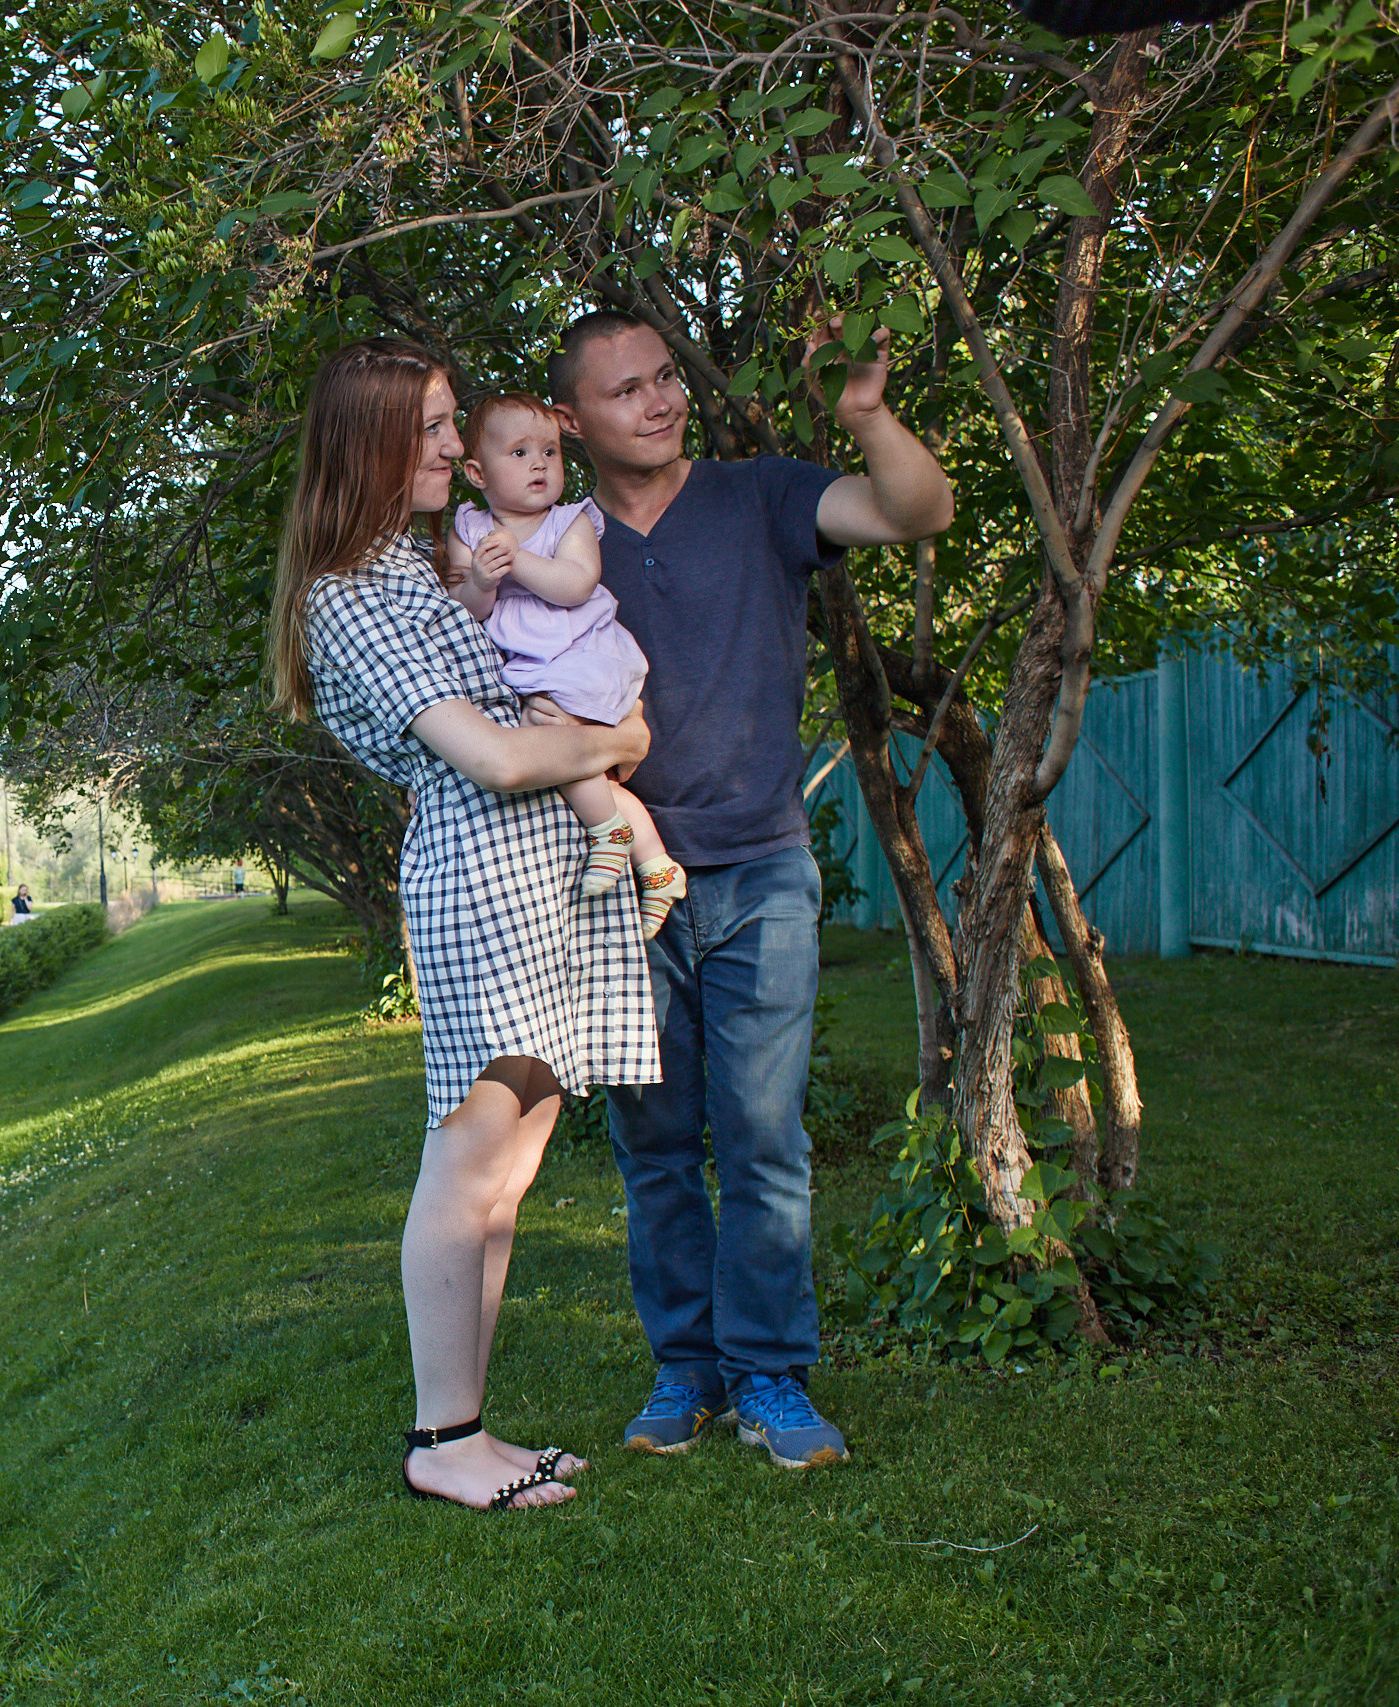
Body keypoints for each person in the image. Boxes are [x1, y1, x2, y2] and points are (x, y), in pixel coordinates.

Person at [541, 310, 954, 1470]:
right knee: (657, 1147)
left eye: (666, 377)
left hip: (763, 865)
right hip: (619, 880)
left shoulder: (760, 495)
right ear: (572, 421)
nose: (661, 401)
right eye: (626, 391)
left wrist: (866, 418)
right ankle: (685, 1369)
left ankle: (771, 1375)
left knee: (765, 1138)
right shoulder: (557, 542)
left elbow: (919, 512)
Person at [269, 337, 657, 1513]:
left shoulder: (414, 567)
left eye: (451, 423)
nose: (453, 445)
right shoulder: (349, 594)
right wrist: (615, 746)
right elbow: (489, 754)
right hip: (483, 879)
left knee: (508, 1174)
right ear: (371, 441)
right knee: (466, 1163)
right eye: (434, 427)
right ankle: (443, 1439)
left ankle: (468, 1430)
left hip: (540, 873)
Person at [442, 391, 684, 937]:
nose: (539, 464)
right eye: (520, 453)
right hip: (532, 664)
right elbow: (466, 612)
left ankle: (608, 832)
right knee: (577, 767)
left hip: (581, 655)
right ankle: (657, 864)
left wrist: (518, 561)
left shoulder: (570, 520)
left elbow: (576, 586)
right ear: (477, 472)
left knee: (545, 737)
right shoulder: (468, 529)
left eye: (549, 452)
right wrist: (481, 579)